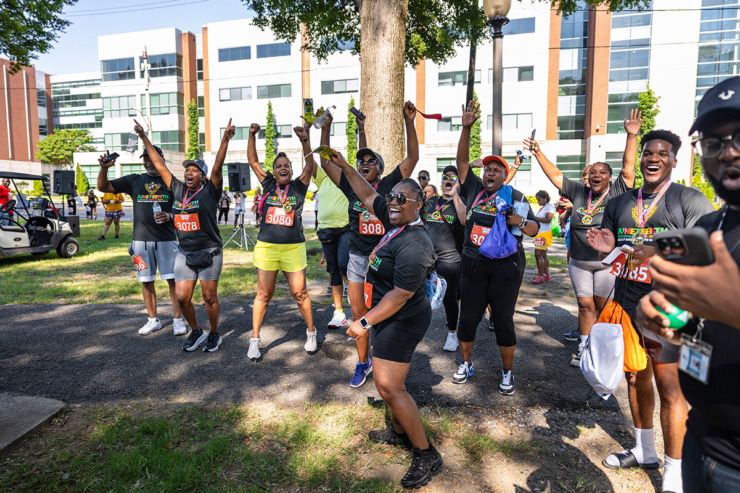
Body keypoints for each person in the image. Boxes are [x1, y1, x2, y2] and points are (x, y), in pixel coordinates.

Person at [586, 129, 714, 493]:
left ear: (674, 160)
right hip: (627, 302)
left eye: (662, 153)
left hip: (670, 308)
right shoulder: (620, 203)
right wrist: (609, 248)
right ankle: (644, 451)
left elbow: (708, 246)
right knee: (634, 377)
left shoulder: (688, 199)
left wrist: (660, 250)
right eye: (647, 152)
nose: (653, 158)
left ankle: (674, 471)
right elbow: (612, 252)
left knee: (671, 388)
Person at [635, 76, 740, 492]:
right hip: (701, 437)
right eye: (714, 142)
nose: (729, 151)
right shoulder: (710, 227)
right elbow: (691, 315)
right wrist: (659, 315)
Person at [331, 149, 442, 489]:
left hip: (403, 317)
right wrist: (346, 166)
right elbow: (366, 193)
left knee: (390, 387)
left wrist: (363, 322)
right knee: (383, 382)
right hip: (386, 315)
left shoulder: (415, 243)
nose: (393, 203)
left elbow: (401, 294)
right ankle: (397, 432)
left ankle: (426, 454)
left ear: (417, 205)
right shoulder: (395, 218)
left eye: (402, 199)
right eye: (392, 197)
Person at [317, 100, 420, 388]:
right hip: (359, 258)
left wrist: (409, 122)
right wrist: (325, 129)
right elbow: (325, 161)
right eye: (361, 161)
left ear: (381, 168)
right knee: (359, 315)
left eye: (371, 160)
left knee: (388, 314)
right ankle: (363, 363)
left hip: (387, 261)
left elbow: (413, 157)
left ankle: (391, 364)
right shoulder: (350, 185)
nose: (364, 164)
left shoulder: (390, 187)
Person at [525, 111, 640, 364]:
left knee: (601, 307)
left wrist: (631, 136)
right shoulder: (579, 191)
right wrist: (537, 152)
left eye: (601, 172)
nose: (595, 175)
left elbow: (629, 168)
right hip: (578, 261)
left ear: (609, 177)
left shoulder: (618, 191)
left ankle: (602, 350)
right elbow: (555, 175)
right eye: (591, 173)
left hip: (606, 263)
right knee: (585, 306)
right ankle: (585, 349)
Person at [452, 100, 539, 394]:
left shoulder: (515, 194)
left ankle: (507, 372)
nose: (489, 173)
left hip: (506, 267)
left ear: (504, 175)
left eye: (496, 170)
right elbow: (462, 163)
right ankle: (465, 364)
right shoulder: (474, 190)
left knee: (502, 320)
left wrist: (520, 220)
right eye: (487, 169)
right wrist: (466, 128)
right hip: (474, 265)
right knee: (469, 319)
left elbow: (536, 228)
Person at [135, 118, 234, 353]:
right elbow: (159, 165)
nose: (189, 173)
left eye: (195, 170)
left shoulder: (210, 191)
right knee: (182, 297)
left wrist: (224, 140)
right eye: (187, 170)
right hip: (184, 252)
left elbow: (218, 167)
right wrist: (143, 137)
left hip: (210, 251)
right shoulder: (178, 189)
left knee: (209, 297)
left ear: (203, 177)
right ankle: (197, 331)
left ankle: (214, 334)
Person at [96, 144, 185, 337]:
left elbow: (184, 209)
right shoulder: (134, 180)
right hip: (140, 243)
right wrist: (104, 168)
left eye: (151, 158)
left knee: (173, 280)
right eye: (145, 159)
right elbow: (103, 187)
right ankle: (153, 320)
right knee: (146, 281)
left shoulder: (170, 181)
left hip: (167, 241)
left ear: (160, 160)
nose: (147, 162)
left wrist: (170, 215)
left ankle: (178, 319)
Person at [246, 123, 317, 360]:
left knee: (300, 294)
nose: (283, 168)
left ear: (291, 169)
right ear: (274, 171)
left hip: (293, 247)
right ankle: (254, 340)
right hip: (267, 246)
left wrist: (304, 139)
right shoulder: (267, 184)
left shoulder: (299, 186)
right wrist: (251, 135)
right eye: (279, 166)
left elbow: (310, 165)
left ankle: (311, 332)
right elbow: (253, 162)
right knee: (263, 295)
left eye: (286, 166)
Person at [314, 115, 351, 332]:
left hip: (346, 228)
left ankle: (359, 306)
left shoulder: (349, 177)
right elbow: (319, 158)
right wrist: (324, 129)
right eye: (332, 159)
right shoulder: (324, 177)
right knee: (334, 270)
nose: (334, 161)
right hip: (326, 230)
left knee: (345, 264)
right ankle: (338, 313)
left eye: (338, 158)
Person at [425, 165, 466, 351]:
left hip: (450, 260)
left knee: (449, 298)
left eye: (453, 178)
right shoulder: (431, 202)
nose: (448, 180)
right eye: (445, 177)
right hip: (427, 258)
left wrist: (455, 193)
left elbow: (464, 220)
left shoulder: (460, 202)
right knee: (417, 293)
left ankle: (452, 334)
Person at [531, 190, 556, 284]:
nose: (538, 202)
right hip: (542, 233)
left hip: (543, 234)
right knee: (543, 255)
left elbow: (548, 219)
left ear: (545, 199)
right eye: (537, 200)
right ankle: (545, 275)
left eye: (539, 200)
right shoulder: (545, 207)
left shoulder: (549, 207)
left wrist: (535, 218)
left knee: (538, 255)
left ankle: (540, 276)